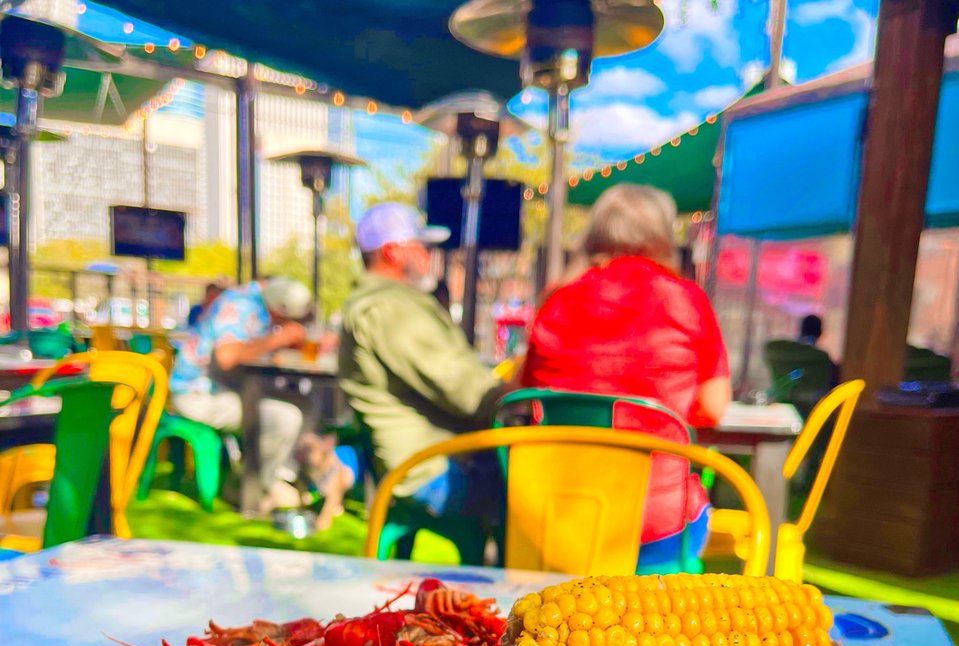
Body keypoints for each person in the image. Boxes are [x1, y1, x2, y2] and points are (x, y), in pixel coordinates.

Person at [520, 184, 731, 570]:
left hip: (557, 513)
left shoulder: (557, 299)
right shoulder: (685, 299)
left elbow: (523, 395)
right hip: (656, 524)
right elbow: (714, 408)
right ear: (662, 235)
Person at [338, 202, 505, 524]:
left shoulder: (381, 303)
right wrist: (515, 389)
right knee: (546, 497)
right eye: (421, 246)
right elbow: (469, 395)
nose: (428, 256)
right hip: (431, 470)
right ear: (393, 252)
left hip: (426, 460)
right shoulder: (390, 308)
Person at [169, 276, 311, 508]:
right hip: (196, 395)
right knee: (285, 417)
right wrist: (278, 339)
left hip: (222, 390)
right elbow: (228, 357)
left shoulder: (254, 300)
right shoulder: (239, 304)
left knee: (304, 404)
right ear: (279, 307)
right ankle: (251, 487)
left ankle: (279, 475)